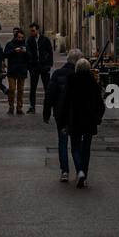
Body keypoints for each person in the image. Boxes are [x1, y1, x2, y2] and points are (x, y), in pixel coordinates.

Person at [58, 58, 106, 189]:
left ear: (76, 68)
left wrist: (63, 121)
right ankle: (84, 174)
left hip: (75, 120)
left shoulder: (71, 80)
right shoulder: (93, 82)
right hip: (89, 121)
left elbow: (65, 102)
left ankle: (79, 171)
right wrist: (97, 119)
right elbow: (101, 105)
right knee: (86, 148)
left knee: (75, 147)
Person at [43, 48, 82, 182]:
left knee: (63, 143)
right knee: (76, 145)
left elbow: (50, 95)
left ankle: (64, 171)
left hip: (61, 115)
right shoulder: (81, 76)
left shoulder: (58, 74)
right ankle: (80, 171)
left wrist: (46, 113)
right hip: (77, 116)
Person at [27, 22, 54, 112]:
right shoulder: (29, 40)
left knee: (47, 87)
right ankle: (32, 106)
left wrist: (49, 65)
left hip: (44, 66)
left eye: (33, 31)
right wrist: (30, 66)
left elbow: (50, 52)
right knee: (33, 88)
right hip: (34, 67)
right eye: (31, 31)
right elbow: (28, 53)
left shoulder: (45, 39)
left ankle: (48, 106)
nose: (32, 33)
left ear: (37, 30)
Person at [3, 27, 29, 114]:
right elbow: (5, 54)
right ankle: (11, 106)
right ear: (15, 37)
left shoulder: (25, 45)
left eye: (22, 38)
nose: (20, 39)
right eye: (19, 37)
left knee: (21, 90)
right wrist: (14, 51)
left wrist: (26, 52)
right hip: (12, 70)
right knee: (12, 89)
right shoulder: (10, 44)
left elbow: (30, 57)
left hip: (22, 70)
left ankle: (19, 107)